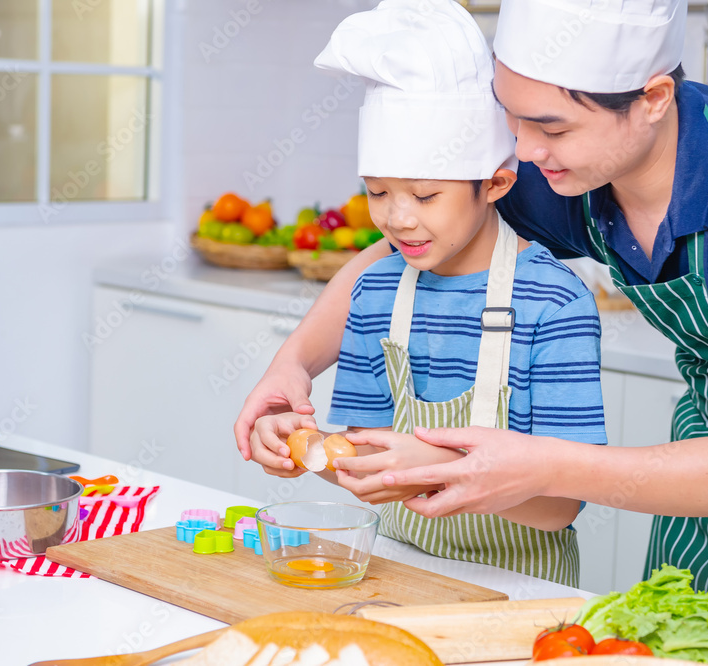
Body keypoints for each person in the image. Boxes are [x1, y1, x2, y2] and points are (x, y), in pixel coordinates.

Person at [235, 0, 708, 643]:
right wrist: (294, 364)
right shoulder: (566, 164)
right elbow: (396, 255)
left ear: (651, 98)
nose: (525, 151)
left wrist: (537, 468)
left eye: (549, 128)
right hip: (703, 458)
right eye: (511, 118)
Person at [245, 0, 607, 586]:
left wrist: (439, 471)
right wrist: (303, 448)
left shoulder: (553, 304)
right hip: (395, 574)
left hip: (519, 587)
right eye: (378, 191)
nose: (398, 219)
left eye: (425, 195)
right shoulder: (374, 293)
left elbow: (561, 505)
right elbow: (361, 455)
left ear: (495, 183)